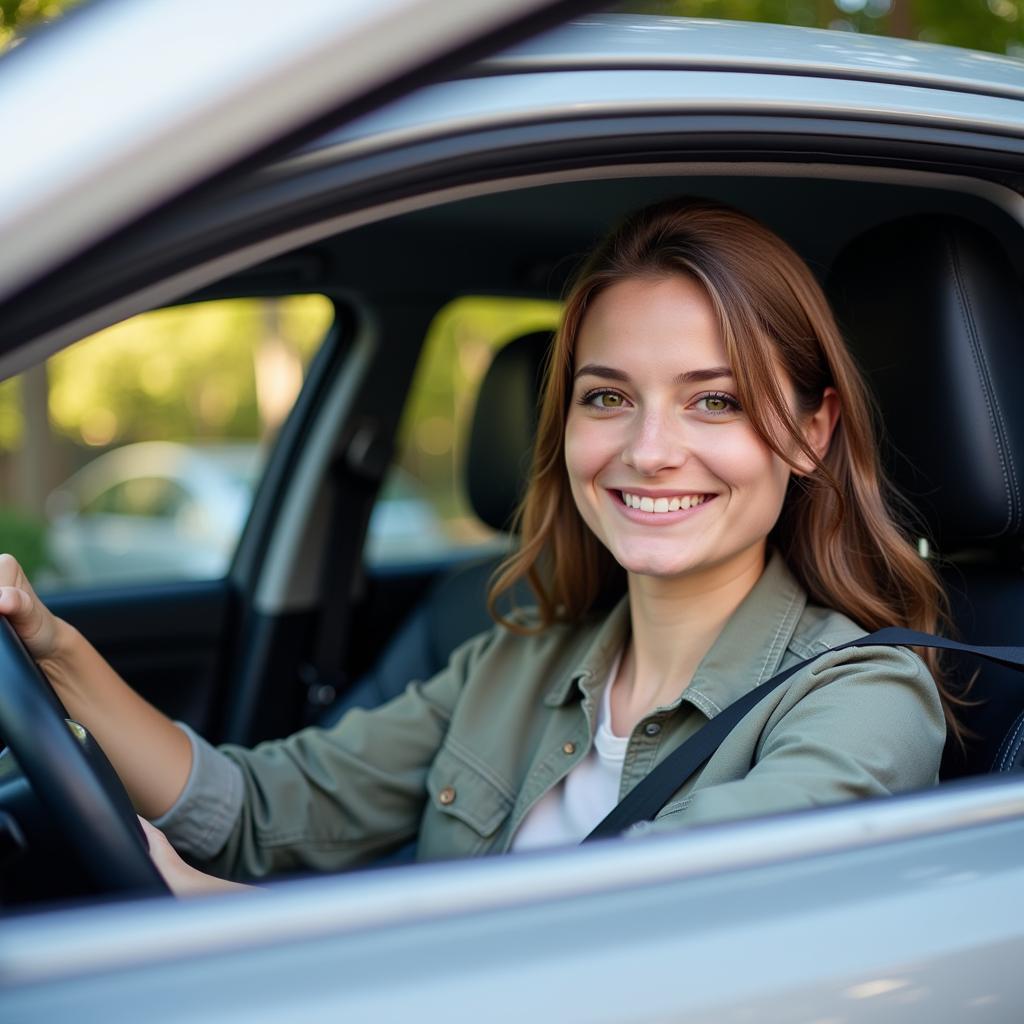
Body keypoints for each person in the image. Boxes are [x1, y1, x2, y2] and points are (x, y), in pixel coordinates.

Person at [0, 198, 951, 896]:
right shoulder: (521, 655)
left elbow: (639, 939)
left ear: (813, 431)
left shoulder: (863, 696)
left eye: (717, 400)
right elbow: (258, 809)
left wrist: (229, 918)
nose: (649, 451)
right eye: (607, 397)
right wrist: (53, 649)